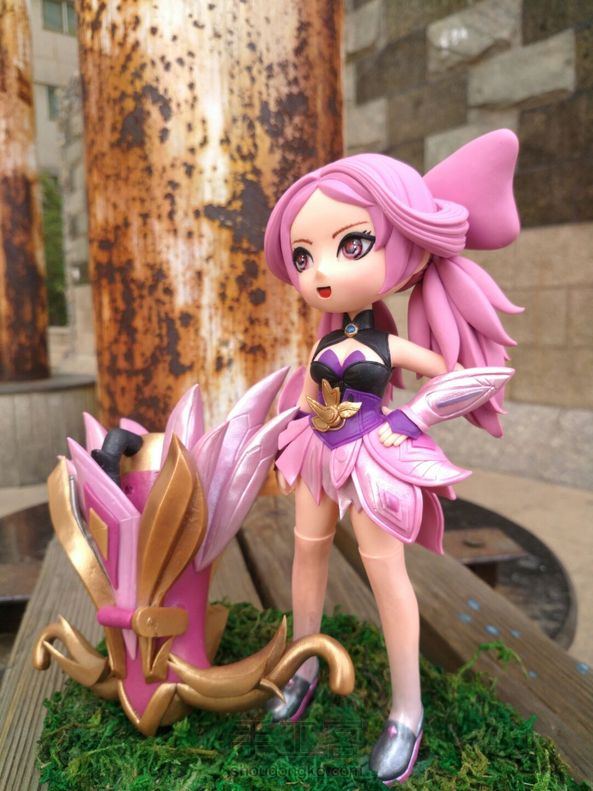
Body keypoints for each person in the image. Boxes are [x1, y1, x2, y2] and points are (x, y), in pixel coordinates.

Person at [263, 130, 521, 785]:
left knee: (385, 574)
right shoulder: (325, 342)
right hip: (318, 455)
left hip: (371, 460)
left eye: (350, 245)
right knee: (306, 556)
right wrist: (289, 432)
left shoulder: (386, 345)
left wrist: (408, 420)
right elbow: (307, 395)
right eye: (302, 255)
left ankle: (406, 711)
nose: (319, 272)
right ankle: (304, 665)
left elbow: (463, 378)